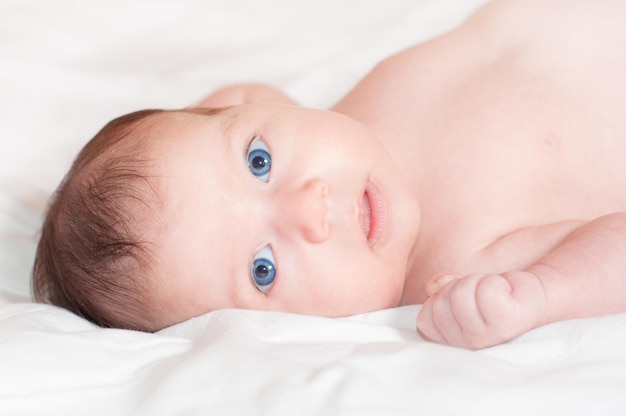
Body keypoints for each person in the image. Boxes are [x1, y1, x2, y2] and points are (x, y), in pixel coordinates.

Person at [32, 0, 626, 349]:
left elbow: (237, 98)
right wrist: (545, 293)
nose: (310, 206)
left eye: (258, 161)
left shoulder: (321, 119)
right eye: (263, 269)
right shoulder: (461, 268)